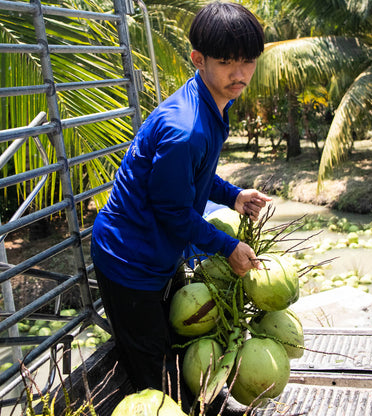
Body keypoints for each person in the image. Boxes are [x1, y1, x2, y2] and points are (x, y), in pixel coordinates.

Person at [90, 1, 270, 410]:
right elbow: (172, 211)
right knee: (154, 367)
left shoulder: (211, 100)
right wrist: (227, 247)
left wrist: (233, 196)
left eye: (248, 62)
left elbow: (193, 180)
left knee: (179, 343)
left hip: (156, 251)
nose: (240, 75)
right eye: (227, 63)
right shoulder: (185, 128)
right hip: (129, 260)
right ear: (198, 59)